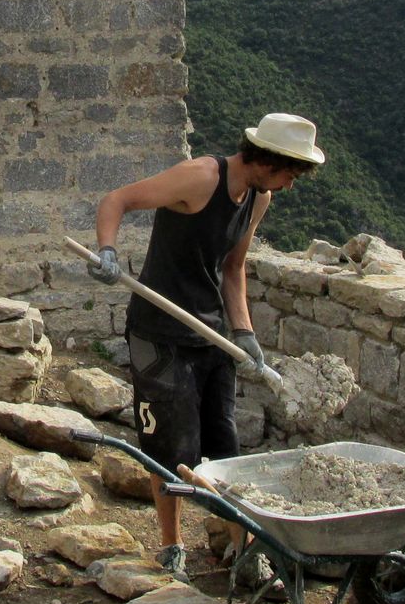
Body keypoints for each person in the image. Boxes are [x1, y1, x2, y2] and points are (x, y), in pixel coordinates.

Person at [87, 112, 324, 579]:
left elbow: (234, 269)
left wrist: (245, 334)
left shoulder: (260, 198)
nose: (289, 185)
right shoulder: (200, 178)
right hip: (160, 332)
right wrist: (108, 251)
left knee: (224, 445)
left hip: (213, 334)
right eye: (287, 173)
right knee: (170, 447)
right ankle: (171, 546)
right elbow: (117, 200)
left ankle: (243, 548)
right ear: (265, 158)